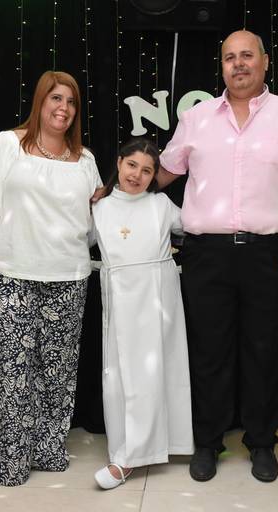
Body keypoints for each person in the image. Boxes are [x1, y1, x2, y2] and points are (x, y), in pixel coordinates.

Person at [157, 30, 278, 482]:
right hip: (206, 255)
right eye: (230, 57)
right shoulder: (196, 118)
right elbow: (163, 173)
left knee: (264, 353)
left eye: (247, 55)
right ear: (221, 66)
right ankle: (207, 442)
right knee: (208, 354)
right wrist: (112, 187)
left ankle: (261, 442)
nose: (239, 64)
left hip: (268, 255)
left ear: (265, 62)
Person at [0, 71, 102, 486]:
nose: (64, 109)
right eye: (56, 98)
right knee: (13, 367)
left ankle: (49, 449)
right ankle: (11, 460)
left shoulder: (86, 161)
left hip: (70, 275)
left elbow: (94, 223)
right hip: (10, 274)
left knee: (58, 368)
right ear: (40, 102)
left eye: (71, 102)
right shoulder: (8, 144)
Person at [91, 138, 194, 490]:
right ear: (119, 163)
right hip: (121, 297)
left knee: (162, 368)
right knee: (124, 375)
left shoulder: (162, 204)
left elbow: (194, 227)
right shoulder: (98, 208)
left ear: (155, 177)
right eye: (132, 165)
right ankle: (128, 452)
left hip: (159, 295)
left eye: (147, 170)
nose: (137, 175)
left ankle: (170, 441)